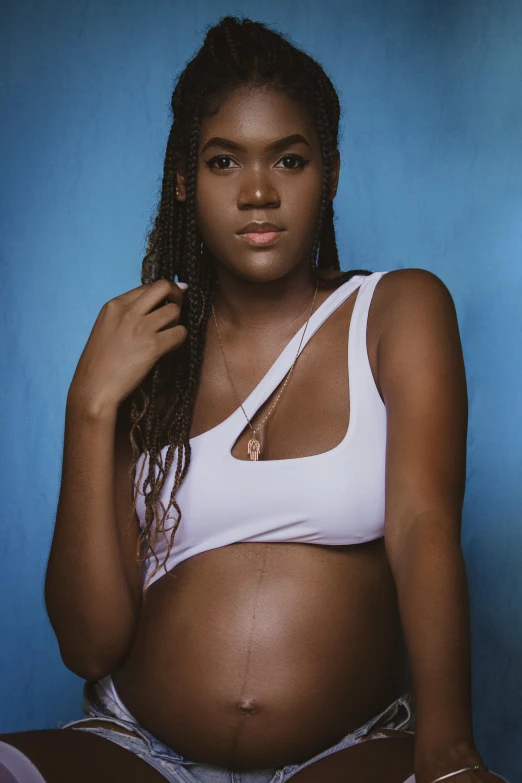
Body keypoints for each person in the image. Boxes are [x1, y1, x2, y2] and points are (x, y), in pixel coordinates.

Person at [0, 15, 511, 783]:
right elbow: (87, 645)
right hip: (138, 751)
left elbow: (422, 524)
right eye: (224, 161)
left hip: (348, 752)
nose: (261, 192)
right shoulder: (148, 353)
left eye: (291, 159)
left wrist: (447, 748)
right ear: (184, 179)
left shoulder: (397, 313)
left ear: (330, 173)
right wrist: (89, 409)